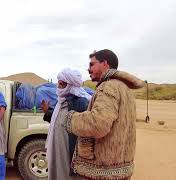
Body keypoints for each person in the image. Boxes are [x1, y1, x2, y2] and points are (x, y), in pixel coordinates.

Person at [62, 49, 145, 180]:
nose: (88, 69)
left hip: (103, 170)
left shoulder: (108, 87)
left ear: (105, 64)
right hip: (118, 167)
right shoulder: (124, 88)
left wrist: (70, 118)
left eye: (92, 64)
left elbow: (98, 124)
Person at [42, 68, 91, 180]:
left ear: (70, 85)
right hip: (57, 148)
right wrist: (47, 112)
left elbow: (86, 130)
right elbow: (59, 122)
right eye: (58, 84)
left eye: (61, 84)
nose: (58, 87)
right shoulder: (61, 101)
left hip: (69, 150)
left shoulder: (80, 103)